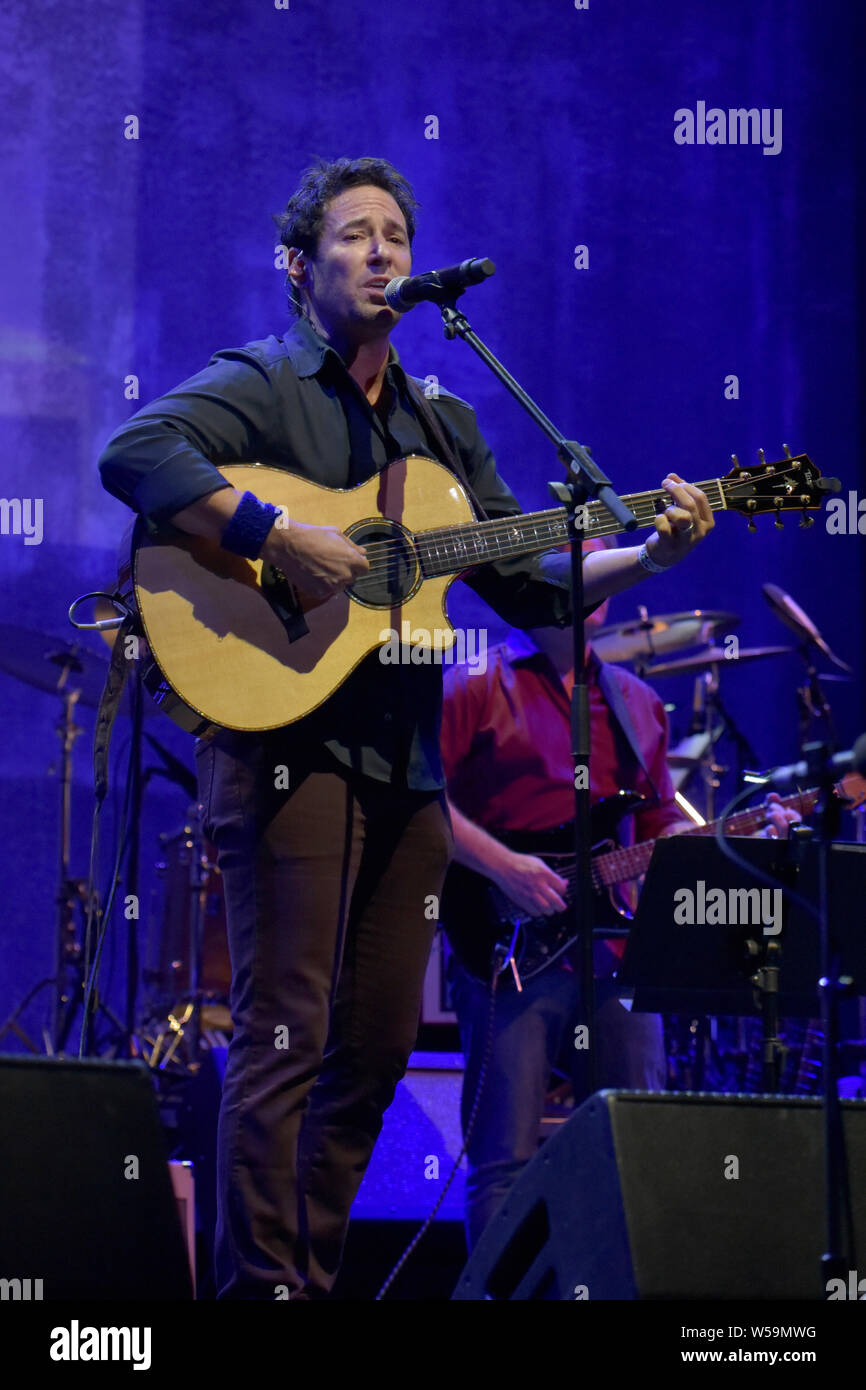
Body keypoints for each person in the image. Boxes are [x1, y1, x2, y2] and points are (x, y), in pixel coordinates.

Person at [97, 156, 715, 1299]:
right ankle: (260, 1290)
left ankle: (309, 1279)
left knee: (375, 1045)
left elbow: (532, 581)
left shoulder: (443, 421)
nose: (383, 250)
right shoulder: (263, 383)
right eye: (353, 234)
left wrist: (652, 549)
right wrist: (277, 532)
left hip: (407, 765)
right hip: (287, 744)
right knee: (286, 1032)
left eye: (395, 233)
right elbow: (132, 453)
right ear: (299, 265)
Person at [440, 538, 800, 1250]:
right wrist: (507, 867)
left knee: (638, 1141)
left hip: (613, 955)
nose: (601, 586)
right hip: (506, 949)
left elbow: (660, 823)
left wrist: (748, 837)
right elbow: (421, 802)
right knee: (502, 1163)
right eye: (587, 570)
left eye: (611, 569)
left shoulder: (636, 701)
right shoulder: (471, 684)